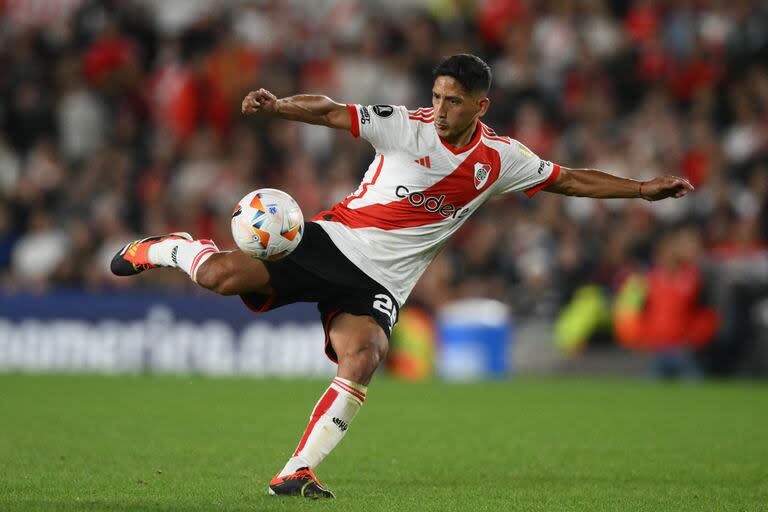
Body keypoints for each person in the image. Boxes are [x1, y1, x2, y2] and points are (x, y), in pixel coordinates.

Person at [110, 54, 693, 498]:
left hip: (379, 286)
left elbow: (569, 179)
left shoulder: (501, 160)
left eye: (454, 102)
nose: (440, 110)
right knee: (217, 277)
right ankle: (171, 247)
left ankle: (296, 471)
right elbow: (334, 111)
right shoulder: (406, 127)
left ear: (480, 107)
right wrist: (281, 106)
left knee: (363, 356)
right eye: (437, 97)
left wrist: (642, 190)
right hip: (333, 242)